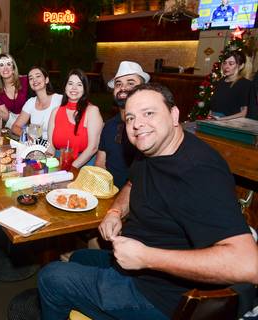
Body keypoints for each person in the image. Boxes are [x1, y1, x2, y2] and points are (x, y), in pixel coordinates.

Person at [38, 82, 258, 320]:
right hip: (137, 266)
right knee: (80, 257)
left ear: (174, 115)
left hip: (160, 298)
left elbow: (248, 265)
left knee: (51, 277)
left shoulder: (199, 171)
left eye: (149, 113)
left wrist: (147, 257)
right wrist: (115, 212)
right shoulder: (150, 151)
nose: (137, 124)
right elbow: (132, 185)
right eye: (130, 118)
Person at [94, 61, 149, 188]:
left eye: (130, 83)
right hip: (108, 194)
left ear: (143, 88)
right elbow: (100, 163)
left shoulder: (148, 127)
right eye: (118, 84)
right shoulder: (109, 125)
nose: (123, 88)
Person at [47, 69, 103, 168]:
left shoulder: (92, 111)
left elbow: (93, 148)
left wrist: (70, 168)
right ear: (65, 87)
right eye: (70, 83)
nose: (74, 88)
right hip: (58, 161)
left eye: (79, 84)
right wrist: (49, 163)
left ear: (85, 89)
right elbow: (50, 146)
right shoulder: (55, 112)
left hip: (83, 164)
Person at [11, 66, 62, 140]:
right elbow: (15, 127)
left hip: (56, 146)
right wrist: (26, 135)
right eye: (31, 78)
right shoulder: (30, 102)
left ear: (46, 80)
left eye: (38, 76)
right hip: (37, 145)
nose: (34, 80)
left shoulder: (59, 99)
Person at [0, 53, 28, 129]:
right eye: (2, 65)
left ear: (13, 69)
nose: (5, 68)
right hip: (12, 125)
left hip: (30, 123)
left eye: (8, 64)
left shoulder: (25, 82)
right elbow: (6, 117)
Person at [209, 50, 252, 120]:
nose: (226, 67)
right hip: (213, 120)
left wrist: (221, 119)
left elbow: (244, 113)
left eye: (231, 64)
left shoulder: (245, 84)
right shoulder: (221, 81)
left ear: (241, 66)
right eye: (225, 63)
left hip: (230, 124)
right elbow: (214, 106)